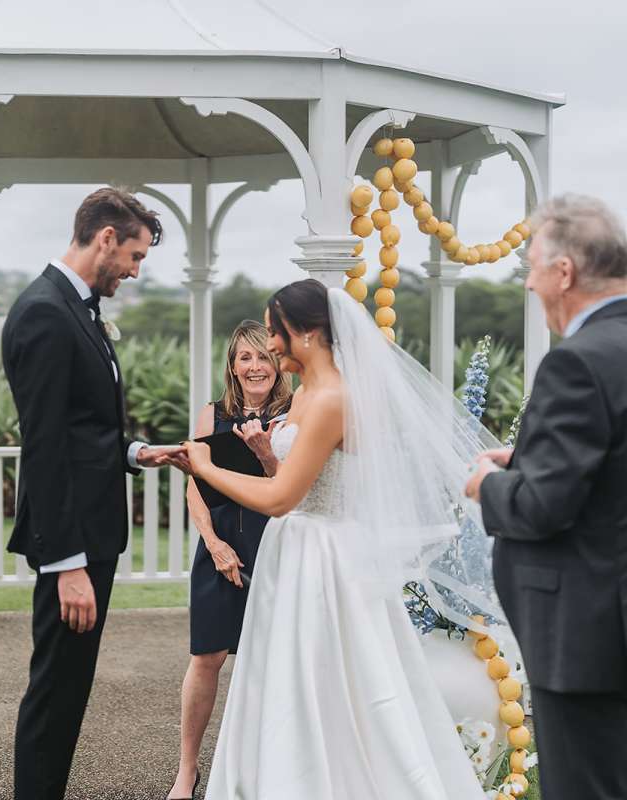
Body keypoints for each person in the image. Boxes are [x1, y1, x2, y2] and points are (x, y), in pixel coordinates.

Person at [180, 279, 493, 800]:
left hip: (325, 556)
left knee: (332, 678)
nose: (271, 346)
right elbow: (292, 479)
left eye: (274, 333)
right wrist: (256, 458)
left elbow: (281, 498)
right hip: (295, 548)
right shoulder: (304, 394)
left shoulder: (333, 399)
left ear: (303, 331)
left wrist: (204, 466)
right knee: (286, 680)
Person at [2, 187, 184, 800]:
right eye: (133, 257)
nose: (134, 272)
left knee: (70, 689)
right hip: (71, 543)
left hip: (91, 531)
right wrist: (66, 564)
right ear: (105, 238)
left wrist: (134, 451)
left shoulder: (77, 309)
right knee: (56, 691)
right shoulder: (45, 313)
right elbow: (46, 446)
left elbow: (83, 430)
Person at [466, 194, 627, 800]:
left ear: (565, 273)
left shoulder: (579, 364)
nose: (529, 283)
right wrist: (530, 462)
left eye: (532, 266)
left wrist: (490, 485)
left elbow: (542, 509)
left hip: (588, 638)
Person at [167, 320, 292, 800]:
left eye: (263, 356)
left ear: (277, 363)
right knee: (207, 657)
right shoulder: (210, 415)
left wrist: (266, 455)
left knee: (271, 659)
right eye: (246, 357)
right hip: (219, 545)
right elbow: (195, 485)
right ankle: (187, 769)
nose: (255, 365)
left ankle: (263, 769)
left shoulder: (294, 413)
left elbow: (289, 484)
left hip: (274, 545)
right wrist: (213, 543)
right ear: (233, 366)